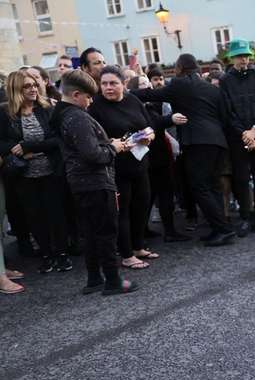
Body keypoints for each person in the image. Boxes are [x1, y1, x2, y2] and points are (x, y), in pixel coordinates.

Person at [132, 54, 236, 246]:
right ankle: (220, 227)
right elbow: (225, 116)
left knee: (200, 187)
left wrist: (126, 93)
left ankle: (224, 229)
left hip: (197, 142)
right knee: (212, 186)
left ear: (179, 68)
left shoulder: (180, 84)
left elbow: (151, 94)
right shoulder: (212, 88)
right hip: (218, 142)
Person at [51, 70, 137, 295]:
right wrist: (114, 147)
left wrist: (106, 143)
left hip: (80, 183)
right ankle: (113, 281)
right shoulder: (76, 116)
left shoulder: (62, 116)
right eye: (89, 97)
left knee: (90, 232)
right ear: (76, 94)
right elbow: (93, 155)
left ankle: (94, 278)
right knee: (106, 232)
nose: (90, 102)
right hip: (96, 182)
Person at [89, 66, 165, 269]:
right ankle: (126, 254)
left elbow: (149, 125)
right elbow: (94, 138)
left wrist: (150, 135)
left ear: (123, 84)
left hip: (140, 162)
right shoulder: (96, 106)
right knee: (122, 211)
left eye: (113, 83)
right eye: (104, 84)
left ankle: (138, 246)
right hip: (115, 167)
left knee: (142, 205)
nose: (108, 87)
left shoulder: (133, 100)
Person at [0, 69, 71, 274]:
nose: (33, 89)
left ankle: (62, 254)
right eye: (27, 86)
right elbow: (2, 142)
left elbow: (58, 138)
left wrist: (30, 147)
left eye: (34, 85)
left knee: (56, 214)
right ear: (15, 90)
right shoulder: (5, 113)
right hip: (23, 175)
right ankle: (47, 255)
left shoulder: (47, 108)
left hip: (51, 171)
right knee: (35, 217)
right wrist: (14, 149)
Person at [126, 75, 190, 243]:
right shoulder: (133, 105)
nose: (147, 88)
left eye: (148, 84)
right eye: (142, 85)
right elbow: (150, 124)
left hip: (159, 153)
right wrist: (170, 119)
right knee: (148, 195)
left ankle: (167, 230)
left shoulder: (154, 103)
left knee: (163, 193)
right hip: (146, 155)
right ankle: (143, 232)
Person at [220, 39, 255, 236]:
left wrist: (254, 131)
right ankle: (244, 216)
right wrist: (244, 133)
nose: (245, 59)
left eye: (247, 56)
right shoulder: (226, 80)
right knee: (241, 178)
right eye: (241, 56)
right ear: (232, 58)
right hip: (238, 137)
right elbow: (227, 111)